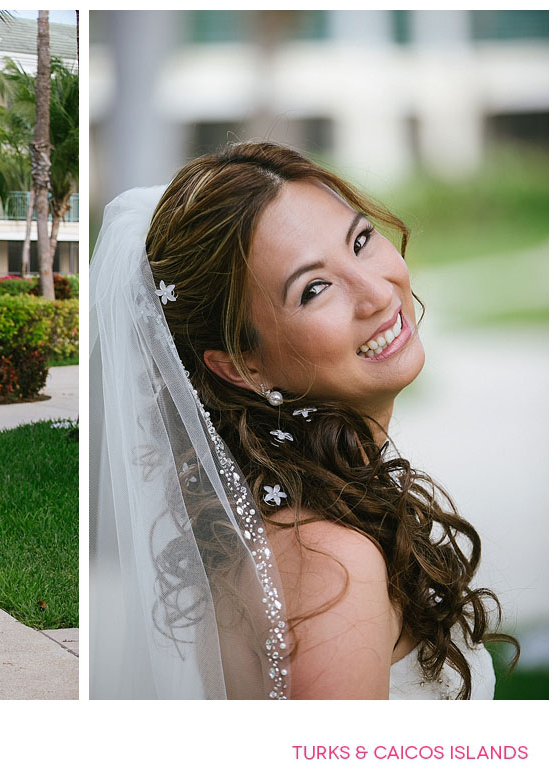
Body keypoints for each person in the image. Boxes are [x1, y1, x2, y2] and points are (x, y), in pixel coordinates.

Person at [90, 142, 515, 699]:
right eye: (314, 289)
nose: (375, 293)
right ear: (243, 365)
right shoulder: (328, 566)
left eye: (360, 241)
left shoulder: (285, 525)